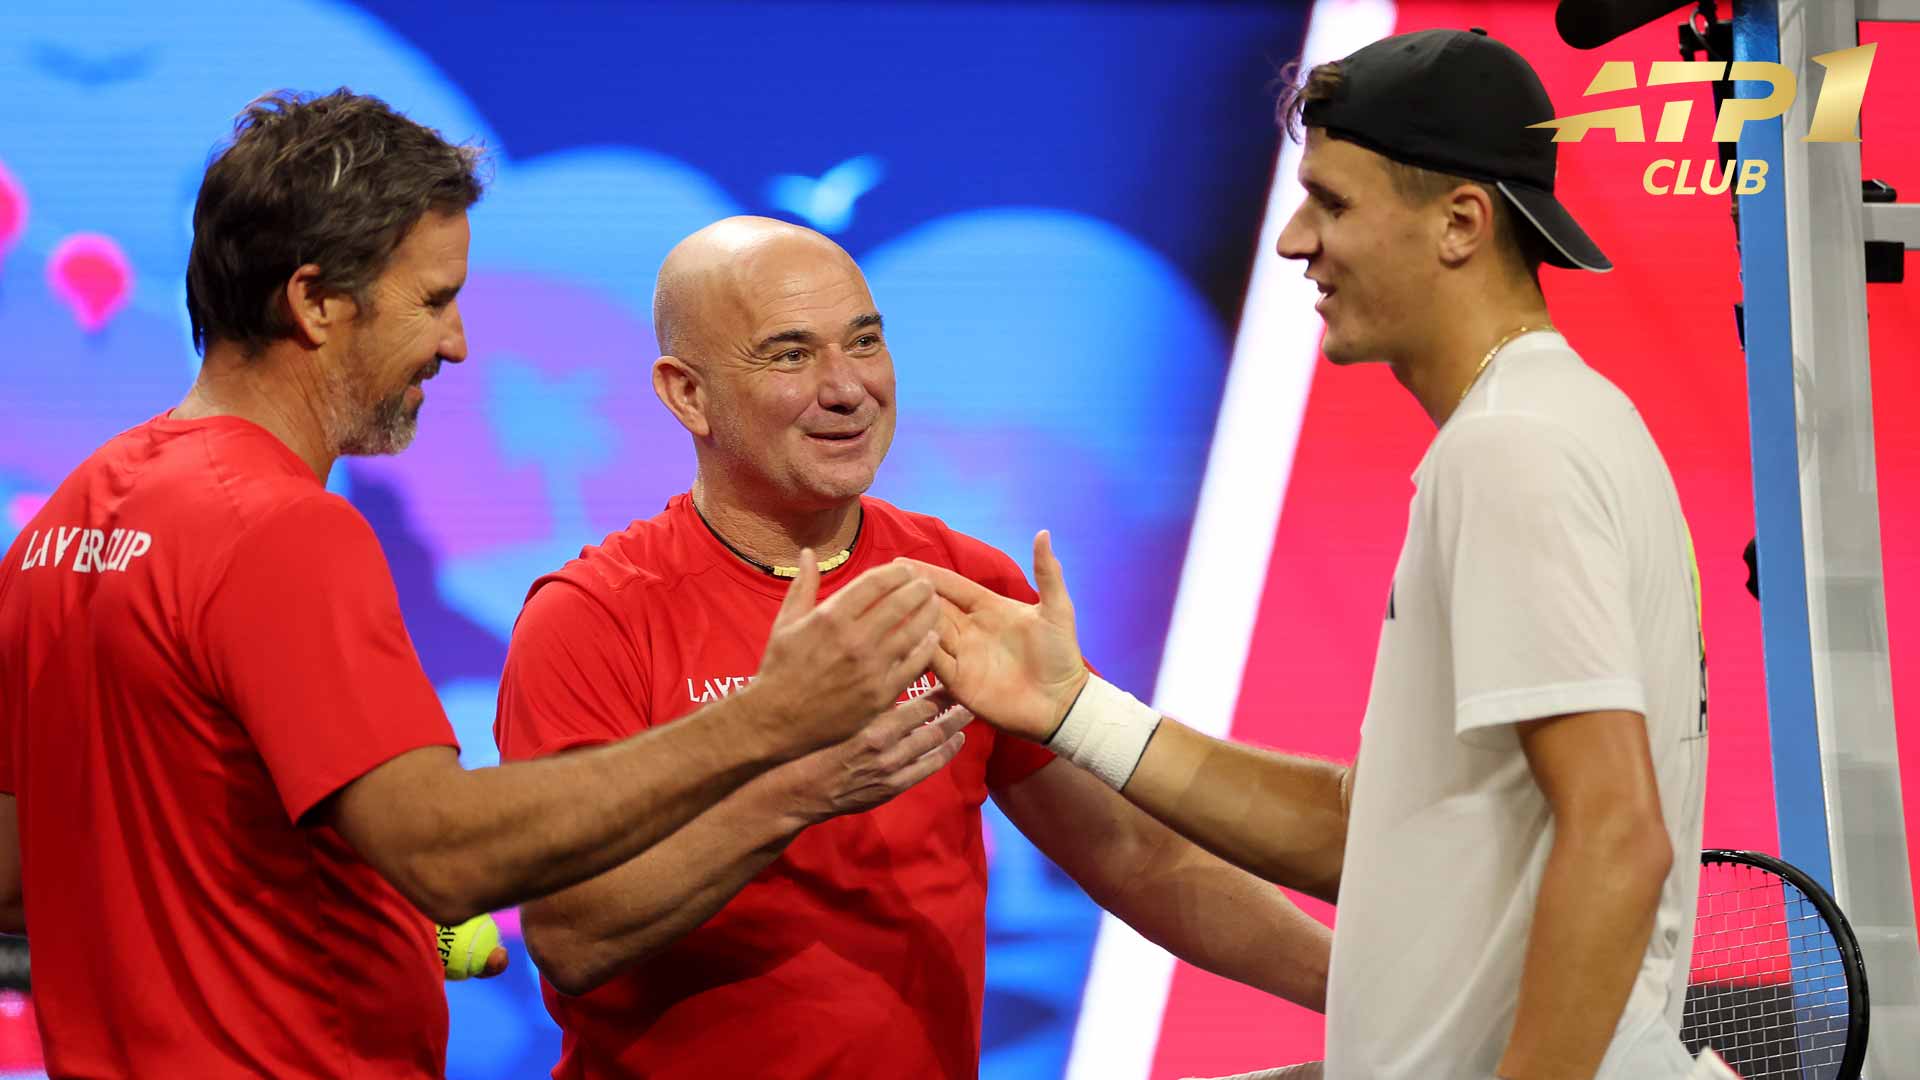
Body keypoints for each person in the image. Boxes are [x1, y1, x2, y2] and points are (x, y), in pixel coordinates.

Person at [0, 91, 945, 1079]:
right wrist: (771, 720)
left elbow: (17, 877)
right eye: (434, 301)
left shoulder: (71, 518)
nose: (454, 345)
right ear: (316, 301)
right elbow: (444, 859)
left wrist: (295, 919)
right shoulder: (281, 530)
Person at [916, 29, 1709, 1080]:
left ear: (1461, 223)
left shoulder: (1514, 451)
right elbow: (1373, 837)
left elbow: (1618, 838)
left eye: (1332, 203)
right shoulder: (1558, 425)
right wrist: (1074, 708)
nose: (1295, 240)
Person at [492, 215, 1333, 1079]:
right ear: (686, 395)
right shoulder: (593, 619)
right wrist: (793, 793)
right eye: (790, 354)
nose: (848, 387)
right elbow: (571, 935)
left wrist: (1369, 995)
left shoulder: (963, 583)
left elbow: (1137, 856)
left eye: (865, 341)